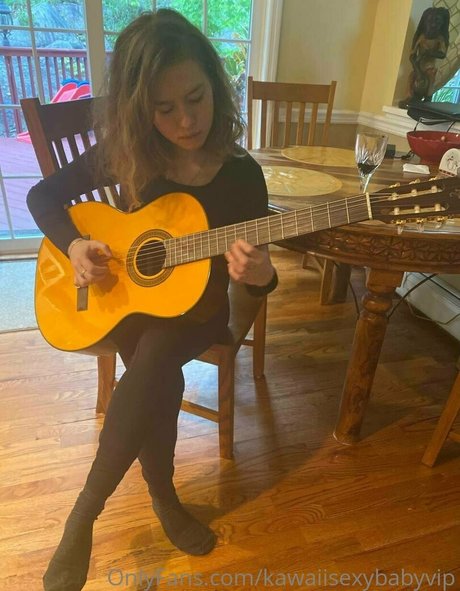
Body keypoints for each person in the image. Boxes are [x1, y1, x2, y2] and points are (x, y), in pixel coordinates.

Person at [26, 8, 277, 591]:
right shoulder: (131, 155)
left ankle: (84, 516)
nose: (186, 120)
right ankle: (162, 497)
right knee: (156, 367)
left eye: (196, 98)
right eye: (164, 109)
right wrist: (75, 245)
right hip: (132, 305)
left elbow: (255, 285)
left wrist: (260, 273)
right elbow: (42, 197)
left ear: (215, 86)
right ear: (141, 110)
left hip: (202, 310)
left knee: (158, 356)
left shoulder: (243, 175)